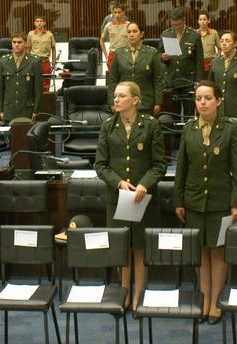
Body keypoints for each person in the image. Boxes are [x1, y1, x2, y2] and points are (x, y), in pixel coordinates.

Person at [174, 81, 237, 324]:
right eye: (198, 99)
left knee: (217, 251)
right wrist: (179, 200)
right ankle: (204, 299)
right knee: (200, 251)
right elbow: (181, 167)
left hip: (220, 201)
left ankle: (216, 302)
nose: (202, 103)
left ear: (219, 100)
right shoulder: (189, 128)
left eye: (207, 98)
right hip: (193, 200)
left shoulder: (230, 128)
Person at [95, 81, 166, 309]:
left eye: (122, 96)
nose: (116, 99)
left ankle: (139, 295)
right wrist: (118, 183)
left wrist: (145, 184)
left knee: (140, 248)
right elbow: (100, 165)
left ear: (135, 100)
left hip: (142, 198)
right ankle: (124, 292)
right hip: (118, 198)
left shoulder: (151, 125)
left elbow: (159, 164)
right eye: (115, 95)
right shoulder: (108, 126)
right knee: (122, 247)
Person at [108, 21, 163, 115]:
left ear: (141, 34)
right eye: (129, 32)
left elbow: (158, 79)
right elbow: (113, 80)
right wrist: (112, 101)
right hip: (124, 102)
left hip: (145, 102)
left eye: (134, 31)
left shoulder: (152, 53)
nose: (131, 35)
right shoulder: (119, 53)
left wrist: (158, 102)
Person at [158, 7, 204, 114]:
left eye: (179, 24)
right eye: (174, 25)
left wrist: (198, 81)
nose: (177, 27)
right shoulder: (166, 34)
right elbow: (158, 56)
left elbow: (199, 61)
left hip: (188, 80)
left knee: (189, 112)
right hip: (172, 80)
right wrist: (162, 57)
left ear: (184, 20)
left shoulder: (194, 35)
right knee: (174, 113)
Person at [0, 32, 43, 123]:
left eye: (19, 42)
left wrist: (36, 111)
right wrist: (0, 110)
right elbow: (0, 88)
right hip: (9, 110)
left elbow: (38, 90)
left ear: (25, 44)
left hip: (27, 111)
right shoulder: (4, 61)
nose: (16, 45)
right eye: (14, 42)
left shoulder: (34, 62)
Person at [208, 30, 237, 119]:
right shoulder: (215, 62)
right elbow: (210, 87)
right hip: (218, 110)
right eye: (222, 41)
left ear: (235, 43)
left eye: (227, 41)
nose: (224, 43)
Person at [27, 15, 56, 92]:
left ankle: (45, 98)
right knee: (33, 81)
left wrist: (54, 62)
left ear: (44, 23)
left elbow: (53, 49)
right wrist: (27, 62)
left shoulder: (49, 34)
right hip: (34, 62)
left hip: (45, 62)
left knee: (46, 82)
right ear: (34, 23)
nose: (39, 23)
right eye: (37, 21)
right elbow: (28, 49)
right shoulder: (31, 34)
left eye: (41, 21)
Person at [100, 2, 130, 69]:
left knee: (126, 75)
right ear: (113, 13)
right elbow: (101, 40)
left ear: (123, 12)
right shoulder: (109, 25)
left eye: (119, 12)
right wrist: (106, 56)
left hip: (125, 54)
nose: (117, 15)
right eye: (115, 12)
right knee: (112, 75)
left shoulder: (129, 25)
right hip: (112, 55)